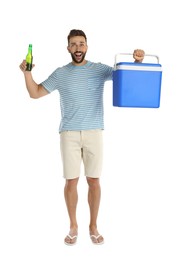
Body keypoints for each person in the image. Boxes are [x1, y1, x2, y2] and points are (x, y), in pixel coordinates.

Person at [19, 29, 145, 246]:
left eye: (82, 43)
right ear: (68, 48)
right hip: (69, 133)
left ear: (87, 46)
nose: (78, 48)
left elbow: (126, 76)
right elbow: (35, 93)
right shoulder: (60, 73)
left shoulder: (99, 70)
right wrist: (26, 73)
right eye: (74, 44)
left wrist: (138, 61)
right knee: (71, 181)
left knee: (94, 181)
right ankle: (73, 225)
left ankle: (93, 226)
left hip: (94, 131)